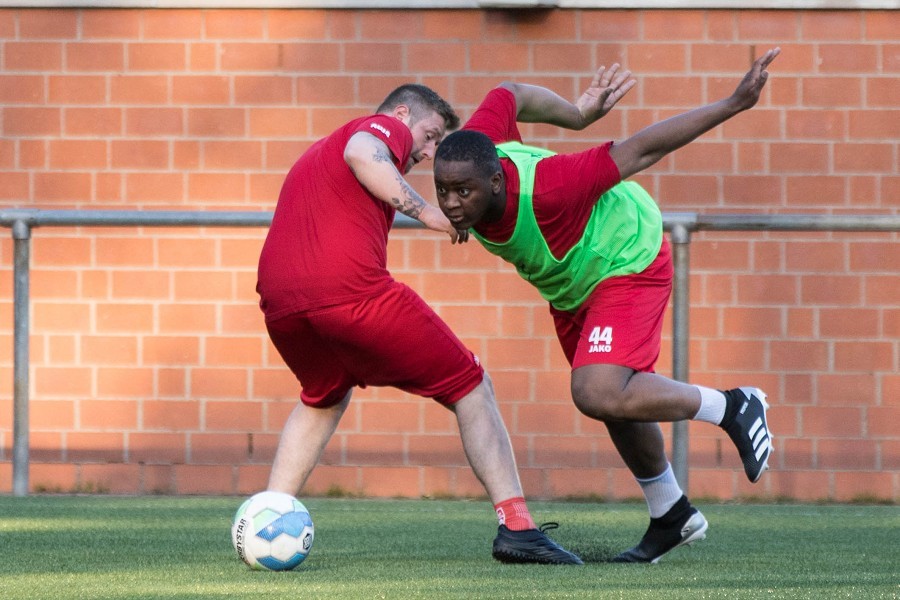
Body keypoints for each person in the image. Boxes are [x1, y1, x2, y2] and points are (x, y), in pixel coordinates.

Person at [433, 49, 780, 564]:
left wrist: (733, 103)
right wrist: (575, 112)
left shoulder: (552, 189)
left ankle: (732, 406)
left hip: (626, 256)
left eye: (464, 191)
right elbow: (511, 91)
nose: (453, 203)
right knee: (618, 399)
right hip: (572, 284)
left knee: (596, 389)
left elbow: (642, 149)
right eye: (443, 191)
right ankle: (672, 514)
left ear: (498, 181)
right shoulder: (479, 143)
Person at [255, 83, 581, 565]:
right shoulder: (379, 128)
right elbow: (363, 151)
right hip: (350, 293)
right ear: (404, 113)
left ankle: (266, 522)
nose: (428, 152)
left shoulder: (320, 151)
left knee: (323, 397)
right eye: (429, 135)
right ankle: (518, 528)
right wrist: (429, 213)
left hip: (281, 306)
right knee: (471, 385)